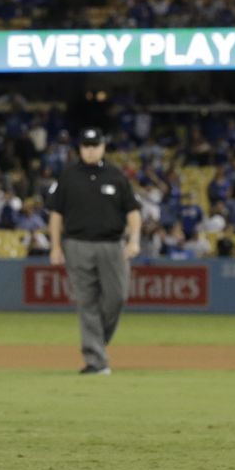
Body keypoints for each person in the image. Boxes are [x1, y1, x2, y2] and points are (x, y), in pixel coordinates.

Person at [48, 127, 141, 375]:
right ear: (80, 148)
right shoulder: (68, 175)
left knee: (117, 297)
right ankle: (96, 360)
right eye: (86, 145)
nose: (90, 150)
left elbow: (132, 211)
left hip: (112, 245)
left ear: (102, 147)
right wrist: (55, 246)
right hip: (77, 244)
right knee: (86, 301)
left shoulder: (116, 175)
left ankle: (96, 343)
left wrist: (134, 240)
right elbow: (56, 214)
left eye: (94, 145)